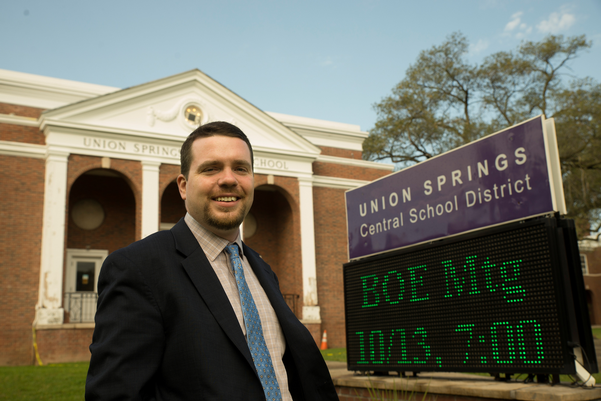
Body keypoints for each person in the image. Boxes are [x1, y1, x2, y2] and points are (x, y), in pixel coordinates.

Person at [85, 121, 339, 400]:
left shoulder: (262, 269)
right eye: (211, 168)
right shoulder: (137, 268)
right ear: (183, 186)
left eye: (241, 168)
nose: (229, 179)